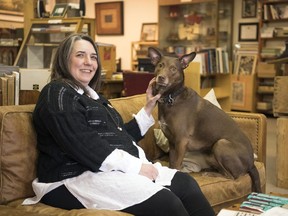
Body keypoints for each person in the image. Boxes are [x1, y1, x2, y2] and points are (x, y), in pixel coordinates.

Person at [23, 33, 214, 216]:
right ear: (64, 60)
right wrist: (137, 167)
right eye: (80, 55)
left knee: (186, 184)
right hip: (72, 178)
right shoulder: (57, 93)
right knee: (167, 203)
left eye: (93, 57)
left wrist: (148, 108)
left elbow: (119, 136)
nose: (89, 62)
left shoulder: (95, 98)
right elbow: (82, 144)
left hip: (103, 169)